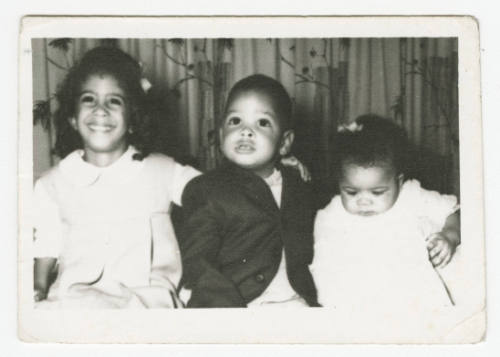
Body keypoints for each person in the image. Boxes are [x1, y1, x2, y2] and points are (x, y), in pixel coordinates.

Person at [33, 46, 200, 308]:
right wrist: (38, 288)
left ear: (133, 119)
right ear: (72, 118)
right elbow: (46, 246)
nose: (100, 109)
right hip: (74, 303)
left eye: (114, 100)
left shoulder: (164, 171)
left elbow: (214, 194)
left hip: (148, 304)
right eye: (89, 99)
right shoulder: (51, 184)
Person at [178, 74, 319, 308]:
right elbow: (198, 263)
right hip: (237, 302)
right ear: (222, 134)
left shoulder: (297, 183)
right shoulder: (206, 189)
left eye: (262, 123)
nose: (246, 131)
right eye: (235, 121)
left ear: (284, 143)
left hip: (296, 299)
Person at [311, 115, 460, 310]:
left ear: (398, 182)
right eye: (351, 192)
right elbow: (323, 265)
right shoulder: (332, 215)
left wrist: (450, 235)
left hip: (416, 300)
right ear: (339, 183)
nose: (364, 201)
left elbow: (451, 212)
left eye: (377, 192)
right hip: (357, 301)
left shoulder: (410, 195)